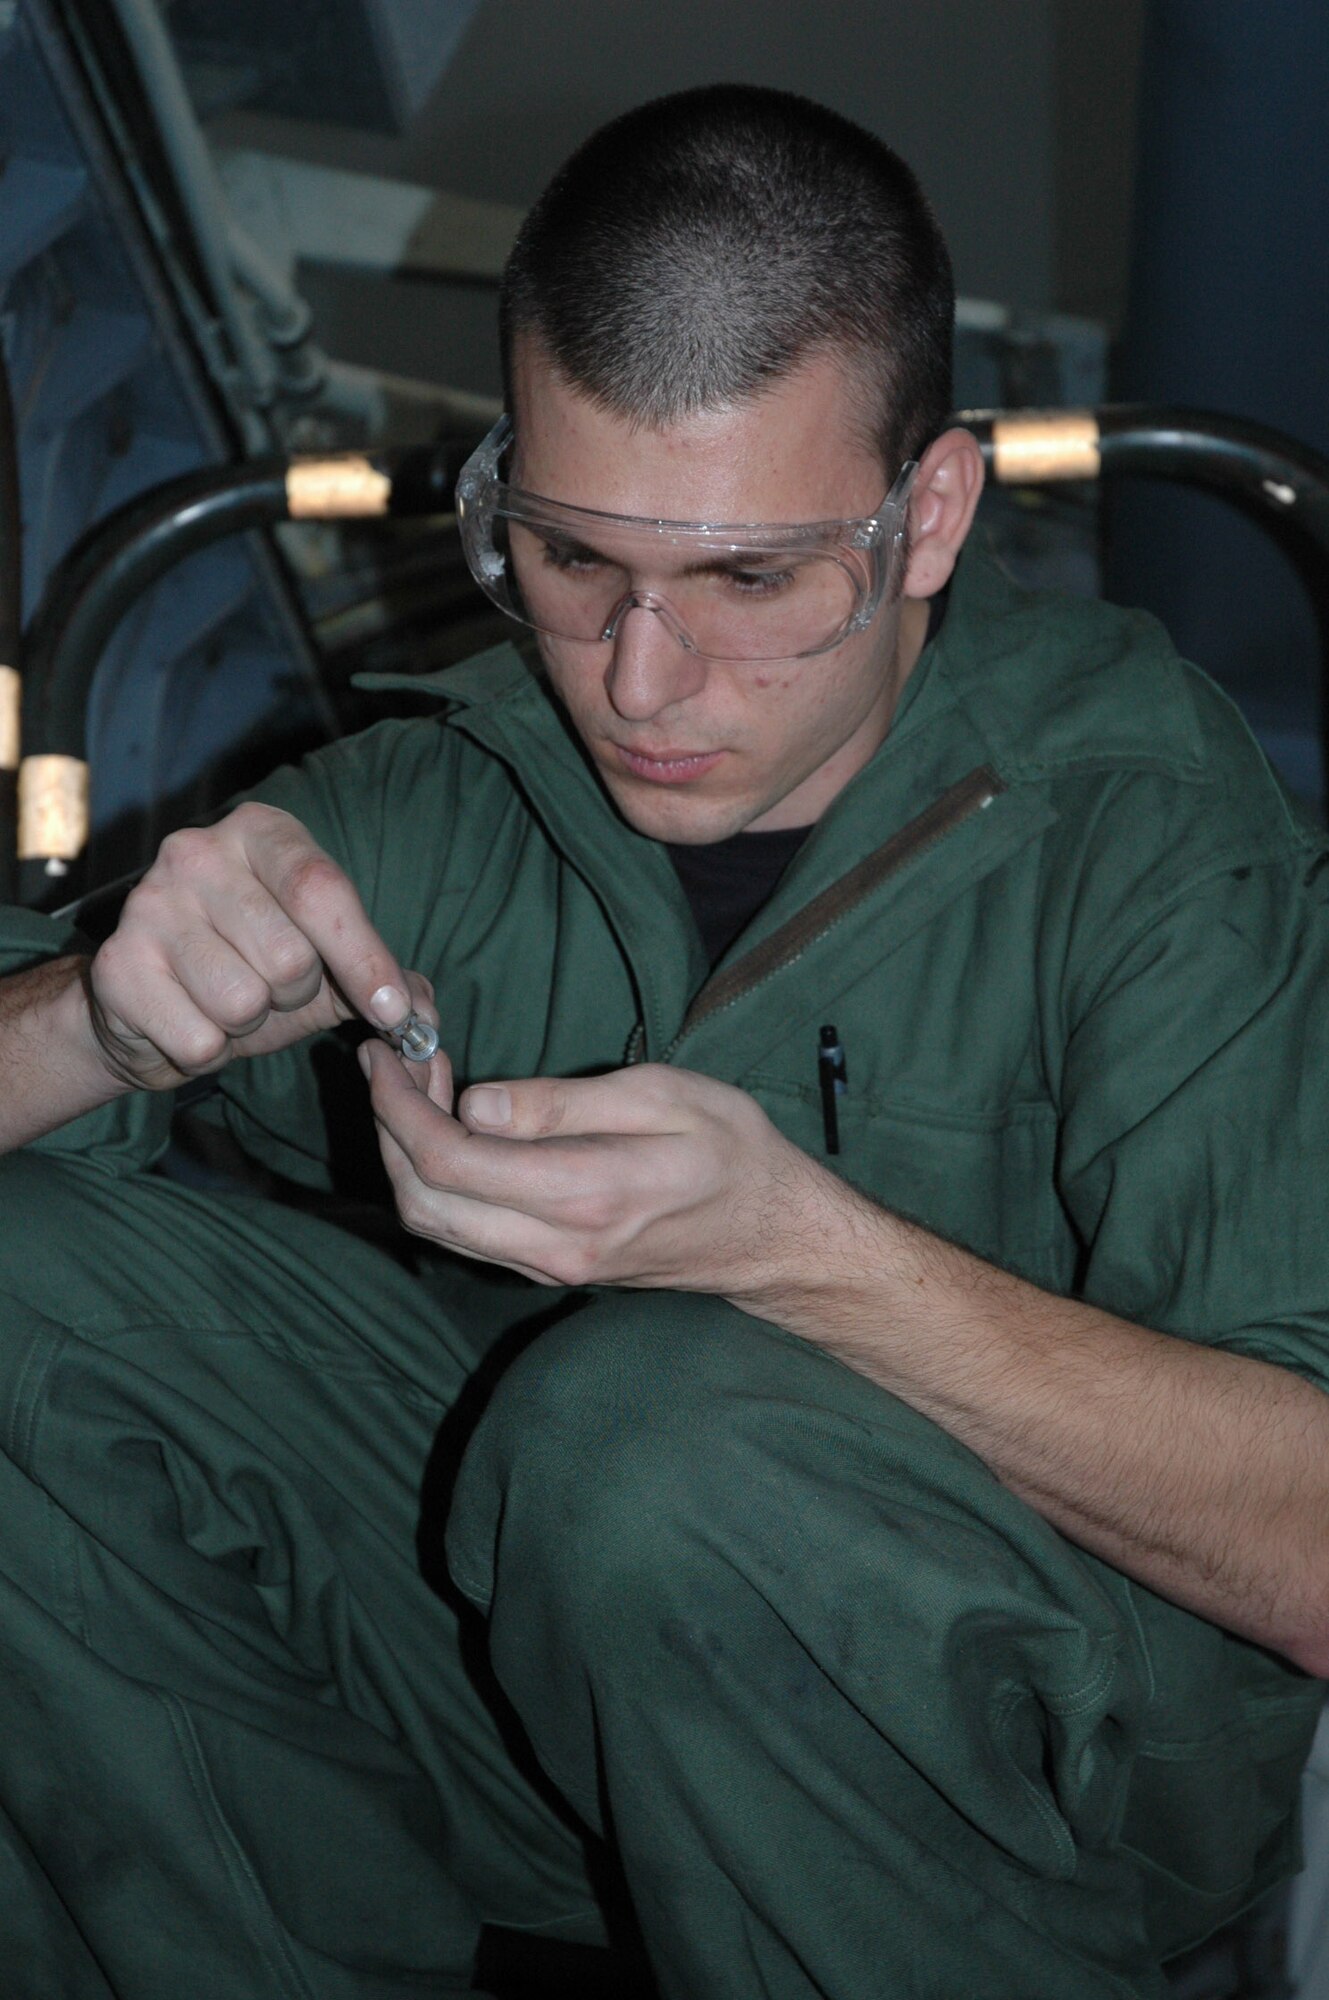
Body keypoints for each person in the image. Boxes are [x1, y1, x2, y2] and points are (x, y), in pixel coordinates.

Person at [0, 81, 1326, 2000]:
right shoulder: (454, 791)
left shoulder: (1150, 838)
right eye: (564, 559)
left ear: (929, 514)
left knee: (643, 1436)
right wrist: (101, 1019)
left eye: (749, 582)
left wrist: (800, 1257)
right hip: (533, 1696)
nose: (637, 681)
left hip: (1019, 1791)